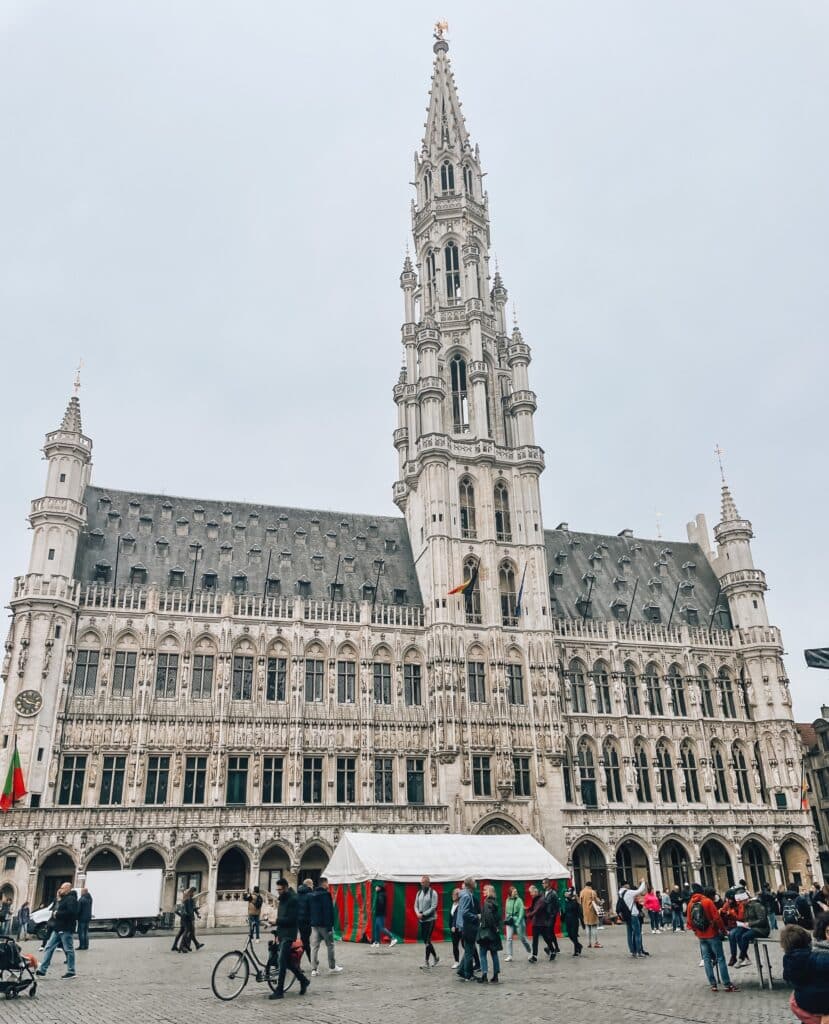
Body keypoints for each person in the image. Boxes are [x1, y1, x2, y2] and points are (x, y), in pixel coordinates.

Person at [686, 883, 738, 993]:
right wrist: (724, 931)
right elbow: (717, 918)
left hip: (701, 936)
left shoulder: (690, 903)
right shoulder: (707, 902)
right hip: (712, 934)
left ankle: (713, 984)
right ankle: (727, 984)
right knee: (720, 958)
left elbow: (690, 922)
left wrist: (697, 932)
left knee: (706, 960)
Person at [267, 877, 310, 1000]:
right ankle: (304, 980)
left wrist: (276, 921)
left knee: (281, 961)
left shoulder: (293, 899)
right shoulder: (283, 899)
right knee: (287, 962)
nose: (278, 891)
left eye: (280, 889)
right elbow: (282, 916)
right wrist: (275, 926)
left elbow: (291, 919)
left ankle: (279, 991)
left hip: (289, 934)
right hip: (282, 933)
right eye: (277, 889)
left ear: (285, 888)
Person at [782, 924, 829, 1024]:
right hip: (823, 1005)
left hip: (802, 1002)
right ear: (808, 941)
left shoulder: (788, 959)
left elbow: (786, 977)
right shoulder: (816, 958)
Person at [35, 882, 78, 979]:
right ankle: (42, 969)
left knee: (68, 950)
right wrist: (58, 899)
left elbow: (72, 913)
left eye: (62, 888)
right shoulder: (63, 899)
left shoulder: (71, 899)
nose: (60, 889)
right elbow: (57, 907)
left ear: (68, 889)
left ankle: (71, 971)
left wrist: (57, 914)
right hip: (58, 928)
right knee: (49, 947)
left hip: (65, 928)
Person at [309, 877, 342, 977]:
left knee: (314, 947)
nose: (328, 885)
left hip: (314, 925)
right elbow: (328, 911)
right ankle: (332, 966)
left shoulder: (312, 895)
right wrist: (329, 928)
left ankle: (314, 969)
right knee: (330, 945)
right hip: (324, 925)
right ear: (324, 884)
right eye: (327, 883)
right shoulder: (326, 895)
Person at [731, 888, 770, 968]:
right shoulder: (746, 907)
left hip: (761, 929)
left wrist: (749, 923)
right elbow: (746, 918)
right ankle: (746, 958)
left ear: (745, 899)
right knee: (737, 934)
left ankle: (741, 958)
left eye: (741, 902)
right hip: (752, 927)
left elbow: (763, 921)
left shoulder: (756, 905)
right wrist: (743, 923)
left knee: (745, 936)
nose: (740, 904)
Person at [476, 884, 502, 984]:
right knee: (494, 953)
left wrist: (483, 920)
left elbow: (489, 917)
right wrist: (497, 928)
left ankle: (484, 975)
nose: (483, 892)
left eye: (484, 890)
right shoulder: (495, 903)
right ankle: (495, 975)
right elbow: (498, 918)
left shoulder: (487, 903)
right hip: (494, 933)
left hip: (486, 932)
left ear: (488, 892)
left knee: (482, 954)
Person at [414, 874, 439, 969]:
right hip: (421, 920)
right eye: (421, 882)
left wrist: (423, 914)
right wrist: (417, 913)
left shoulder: (433, 893)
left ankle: (426, 961)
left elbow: (433, 906)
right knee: (426, 941)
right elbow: (415, 905)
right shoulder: (419, 893)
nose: (422, 884)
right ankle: (436, 957)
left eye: (424, 882)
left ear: (428, 883)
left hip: (430, 920)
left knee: (427, 940)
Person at [620, 878, 648, 958]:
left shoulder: (620, 893)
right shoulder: (629, 892)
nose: (629, 885)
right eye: (628, 884)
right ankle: (639, 952)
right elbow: (640, 890)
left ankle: (632, 951)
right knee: (637, 934)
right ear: (625, 885)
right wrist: (643, 882)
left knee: (629, 934)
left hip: (626, 915)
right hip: (633, 914)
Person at [172, 886, 203, 952]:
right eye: (193, 892)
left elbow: (188, 909)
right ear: (190, 892)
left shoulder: (186, 900)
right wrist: (188, 916)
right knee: (188, 932)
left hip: (185, 918)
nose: (193, 894)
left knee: (183, 932)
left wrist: (182, 916)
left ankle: (177, 946)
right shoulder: (188, 900)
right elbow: (189, 910)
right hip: (188, 918)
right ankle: (183, 946)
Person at [504, 885, 530, 961]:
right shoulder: (507, 900)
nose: (516, 893)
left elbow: (522, 911)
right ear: (510, 893)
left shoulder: (519, 900)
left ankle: (530, 952)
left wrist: (518, 921)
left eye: (516, 891)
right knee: (509, 938)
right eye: (514, 892)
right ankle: (509, 955)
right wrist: (507, 919)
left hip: (519, 920)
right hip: (510, 920)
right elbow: (506, 910)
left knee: (522, 938)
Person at [372, 884, 397, 948]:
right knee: (376, 928)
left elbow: (381, 904)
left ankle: (393, 938)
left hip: (380, 914)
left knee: (381, 928)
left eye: (377, 886)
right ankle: (376, 942)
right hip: (379, 914)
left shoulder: (381, 895)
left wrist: (378, 911)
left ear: (380, 888)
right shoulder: (380, 894)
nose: (376, 887)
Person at [296, 876, 313, 963]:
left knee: (304, 941)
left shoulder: (298, 894)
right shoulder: (310, 895)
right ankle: (311, 961)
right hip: (307, 921)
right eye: (312, 884)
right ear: (309, 885)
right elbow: (312, 909)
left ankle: (298, 961)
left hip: (299, 921)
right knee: (305, 942)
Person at [579, 879, 601, 949]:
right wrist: (600, 902)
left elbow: (580, 902)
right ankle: (596, 942)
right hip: (592, 911)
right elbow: (597, 901)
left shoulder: (582, 892)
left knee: (587, 927)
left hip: (585, 911)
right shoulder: (592, 892)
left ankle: (589, 943)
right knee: (594, 926)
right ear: (591, 885)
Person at [562, 888, 584, 956]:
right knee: (570, 935)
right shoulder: (566, 901)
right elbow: (565, 911)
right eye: (565, 893)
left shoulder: (574, 901)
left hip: (574, 920)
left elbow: (579, 911)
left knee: (574, 935)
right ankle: (579, 945)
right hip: (568, 920)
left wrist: (582, 923)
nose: (566, 894)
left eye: (568, 893)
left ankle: (576, 951)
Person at [77, 887, 92, 951]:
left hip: (82, 918)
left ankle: (82, 945)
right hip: (88, 917)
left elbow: (78, 910)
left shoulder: (81, 899)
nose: (81, 893)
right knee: (86, 932)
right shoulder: (90, 898)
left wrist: (76, 916)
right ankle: (86, 945)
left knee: (81, 932)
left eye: (81, 891)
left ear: (83, 892)